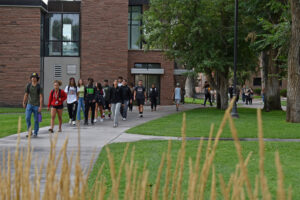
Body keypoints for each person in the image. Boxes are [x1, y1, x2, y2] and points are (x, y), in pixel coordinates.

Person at [23, 73, 43, 138]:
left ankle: (35, 133)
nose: (33, 78)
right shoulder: (28, 86)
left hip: (36, 105)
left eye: (34, 77)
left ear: (37, 79)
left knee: (36, 120)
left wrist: (40, 106)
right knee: (27, 118)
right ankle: (29, 131)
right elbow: (26, 94)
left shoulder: (39, 87)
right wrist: (24, 102)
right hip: (29, 104)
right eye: (32, 77)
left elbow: (40, 97)